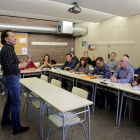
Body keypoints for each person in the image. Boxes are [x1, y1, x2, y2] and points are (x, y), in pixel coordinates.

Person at [0, 30, 29, 135]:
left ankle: (5, 120)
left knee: (9, 100)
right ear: (6, 39)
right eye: (12, 36)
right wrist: (21, 66)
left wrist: (19, 61)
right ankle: (16, 128)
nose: (15, 38)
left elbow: (9, 63)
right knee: (16, 103)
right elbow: (9, 67)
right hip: (12, 78)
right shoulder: (7, 49)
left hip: (9, 78)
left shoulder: (7, 49)